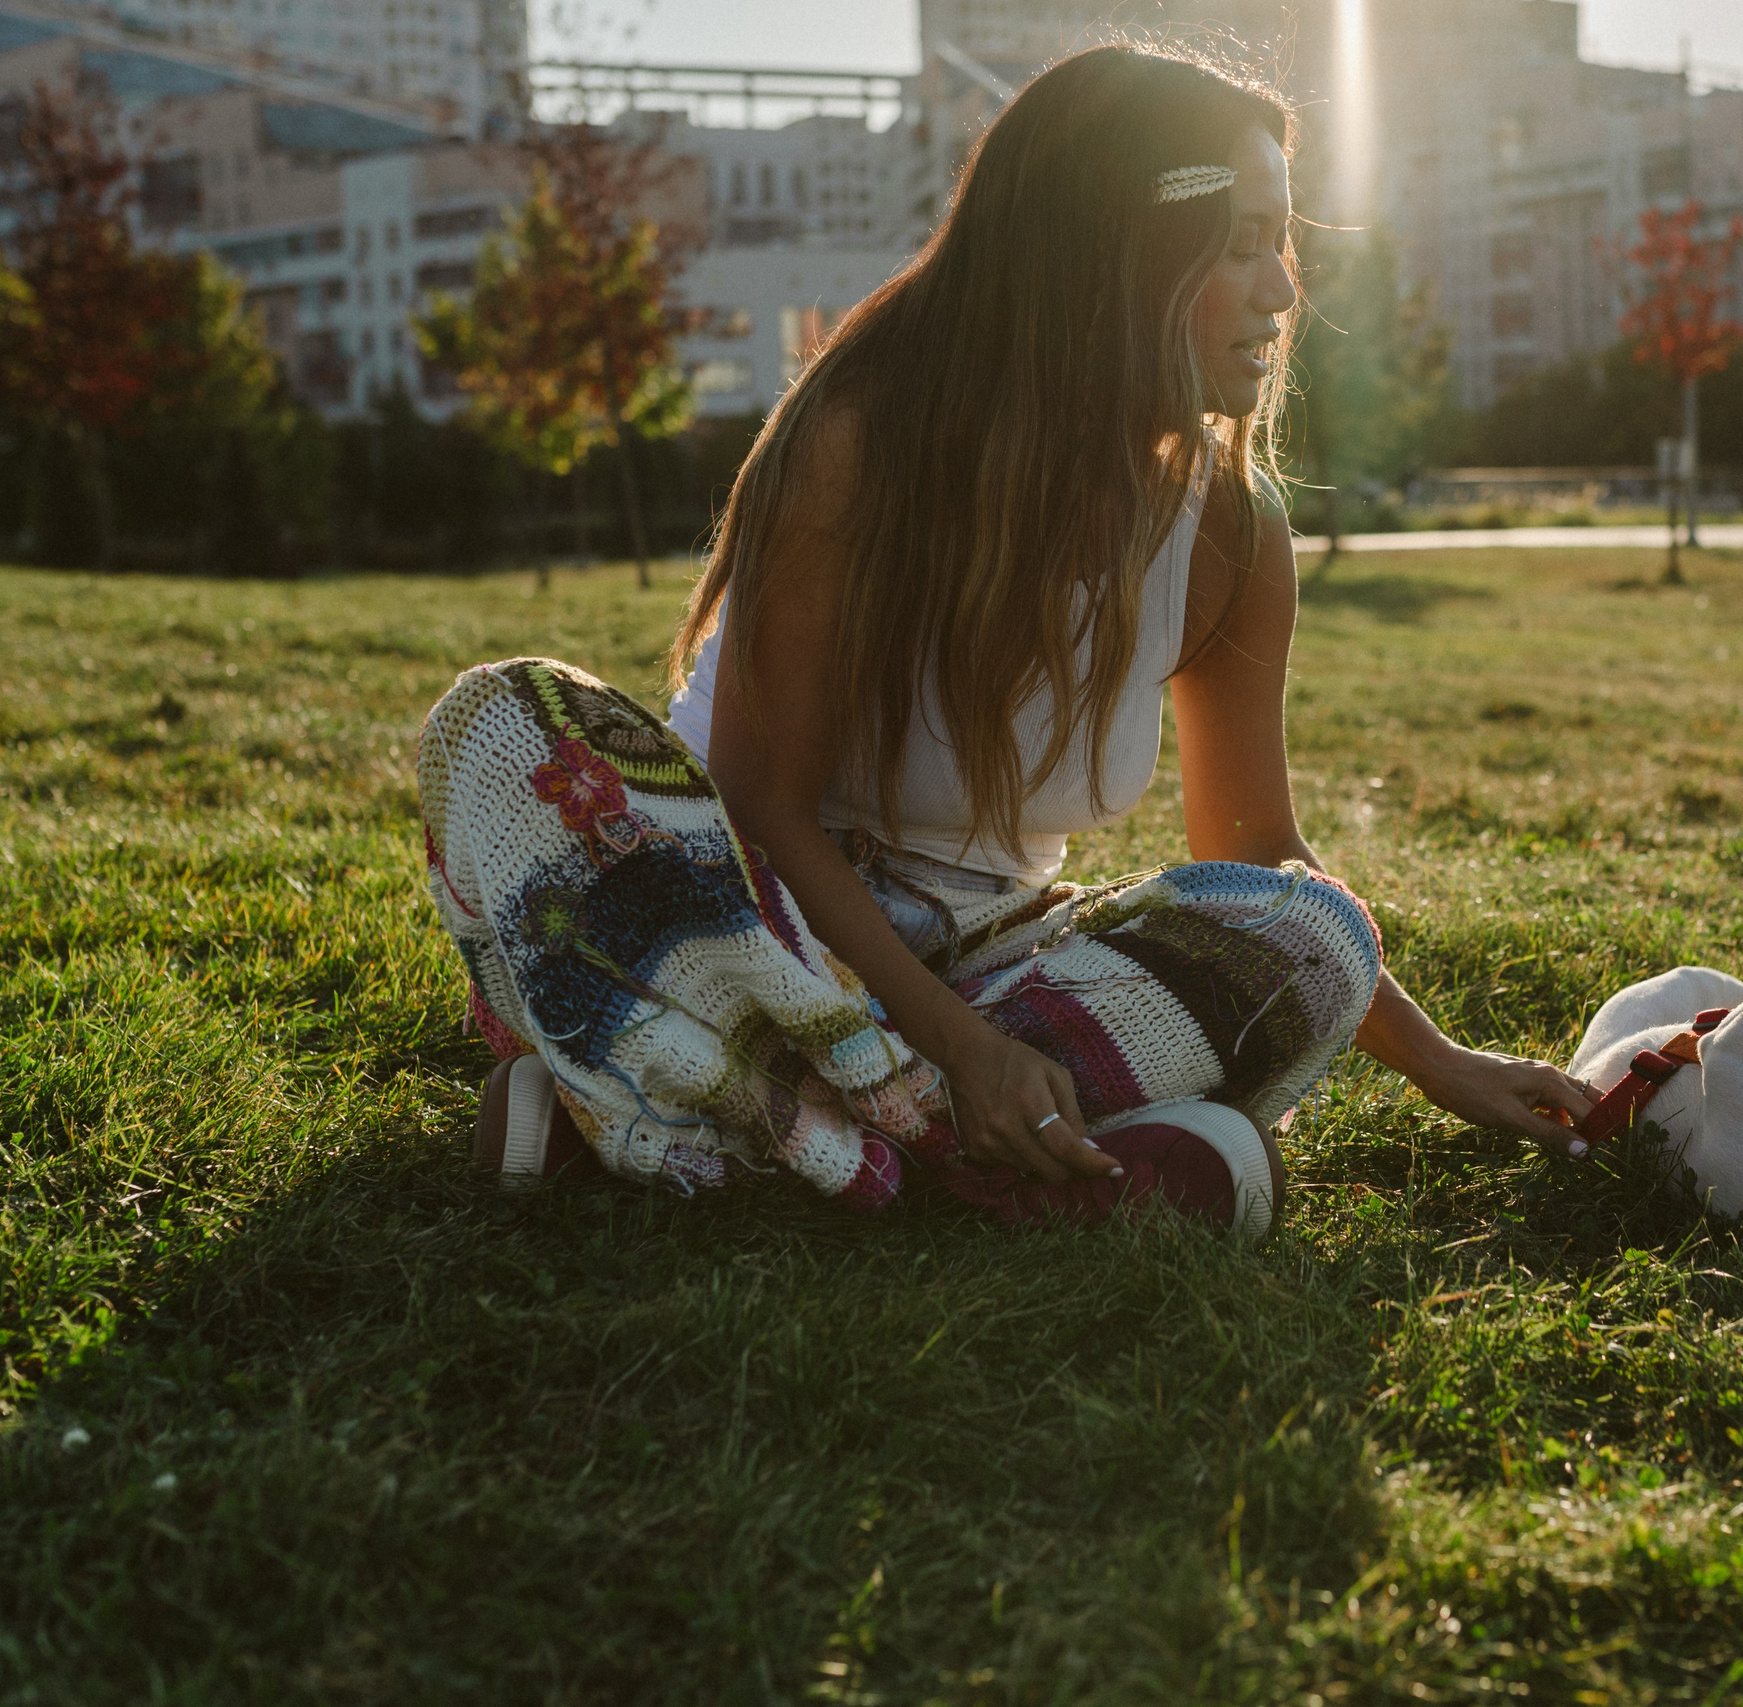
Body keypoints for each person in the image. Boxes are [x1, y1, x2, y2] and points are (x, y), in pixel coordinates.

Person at [415, 45, 1596, 1244]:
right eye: (1241, 243)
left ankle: (681, 1115)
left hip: (992, 948)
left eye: (1281, 241)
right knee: (505, 721)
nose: (1282, 291)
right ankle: (989, 1161)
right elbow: (765, 806)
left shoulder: (1233, 531)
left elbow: (1256, 846)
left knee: (1310, 938)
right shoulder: (860, 440)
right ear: (1117, 251)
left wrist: (1440, 1061)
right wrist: (969, 1053)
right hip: (747, 914)